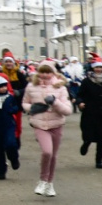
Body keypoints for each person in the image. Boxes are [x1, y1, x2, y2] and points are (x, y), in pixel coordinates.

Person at [22, 60, 73, 197]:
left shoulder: (60, 87)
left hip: (56, 124)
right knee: (47, 152)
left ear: (53, 73)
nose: (45, 75)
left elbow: (68, 110)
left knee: (54, 155)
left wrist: (55, 102)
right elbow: (25, 102)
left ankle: (50, 184)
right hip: (39, 124)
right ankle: (42, 180)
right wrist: (32, 108)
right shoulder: (31, 86)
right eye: (42, 72)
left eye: (48, 72)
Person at [0, 52, 27, 149]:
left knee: (17, 124)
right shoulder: (1, 74)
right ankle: (9, 142)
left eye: (10, 62)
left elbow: (27, 87)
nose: (8, 64)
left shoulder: (19, 74)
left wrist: (19, 92)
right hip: (4, 104)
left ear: (13, 63)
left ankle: (16, 140)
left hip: (17, 103)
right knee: (6, 124)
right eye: (6, 62)